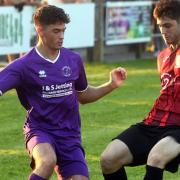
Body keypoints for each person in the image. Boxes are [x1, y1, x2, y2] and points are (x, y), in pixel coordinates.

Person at [0, 5, 127, 180]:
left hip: (69, 135)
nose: (61, 36)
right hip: (40, 130)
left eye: (63, 31)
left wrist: (111, 85)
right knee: (46, 161)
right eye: (56, 31)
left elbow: (83, 95)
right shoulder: (23, 65)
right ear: (40, 30)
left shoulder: (73, 59)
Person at [100, 0, 180, 180]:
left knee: (156, 157)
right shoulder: (162, 57)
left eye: (168, 26)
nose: (163, 31)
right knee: (108, 159)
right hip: (153, 123)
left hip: (178, 126)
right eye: (160, 26)